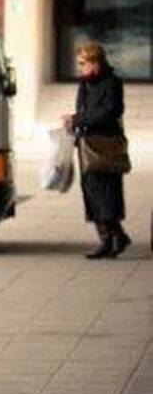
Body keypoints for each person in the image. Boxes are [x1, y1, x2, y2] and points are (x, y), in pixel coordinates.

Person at [64, 43, 131, 260]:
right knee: (91, 191)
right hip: (86, 144)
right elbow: (83, 111)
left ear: (96, 63)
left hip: (105, 145)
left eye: (83, 63)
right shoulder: (84, 85)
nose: (80, 67)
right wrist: (73, 122)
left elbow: (111, 112)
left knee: (107, 193)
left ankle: (114, 238)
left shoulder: (113, 83)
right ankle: (109, 238)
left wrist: (78, 119)